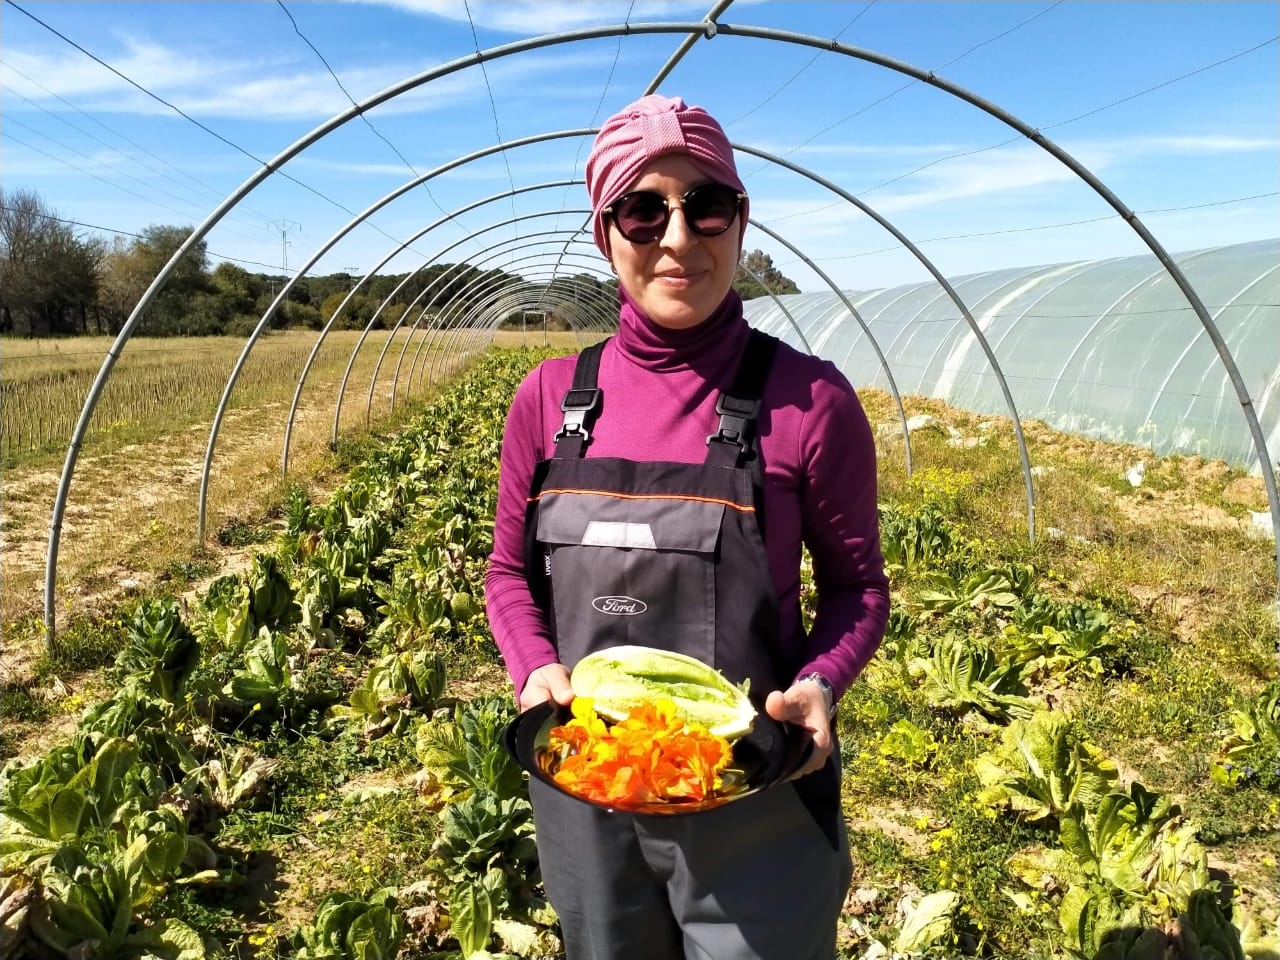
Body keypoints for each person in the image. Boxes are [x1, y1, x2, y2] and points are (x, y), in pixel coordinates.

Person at [484, 93, 889, 960]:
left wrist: (820, 681)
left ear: (740, 222)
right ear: (605, 232)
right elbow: (508, 575)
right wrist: (534, 669)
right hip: (586, 786)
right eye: (642, 208)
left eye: (707, 206)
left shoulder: (811, 402)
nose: (678, 238)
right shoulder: (549, 399)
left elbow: (857, 589)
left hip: (753, 793)